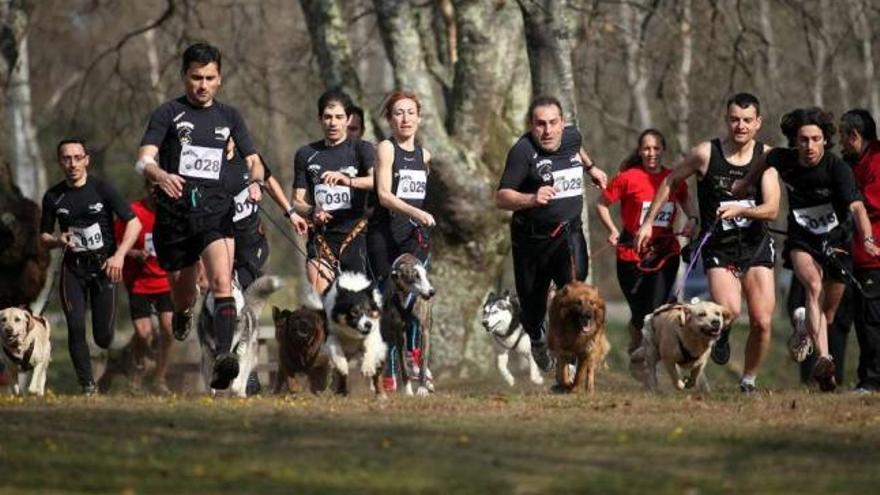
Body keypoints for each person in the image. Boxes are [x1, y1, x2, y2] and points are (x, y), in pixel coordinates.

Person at [134, 42, 265, 390]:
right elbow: (144, 157)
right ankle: (183, 312)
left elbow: (253, 160)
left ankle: (224, 355)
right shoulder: (167, 114)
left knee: (223, 283)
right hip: (176, 216)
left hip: (217, 213)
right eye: (195, 78)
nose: (202, 85)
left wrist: (256, 182)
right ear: (184, 77)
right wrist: (160, 174)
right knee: (185, 294)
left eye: (209, 78)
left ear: (219, 79)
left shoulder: (230, 117)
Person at [636, 93, 779, 393]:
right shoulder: (706, 154)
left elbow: (772, 209)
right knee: (727, 311)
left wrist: (740, 209)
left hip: (755, 245)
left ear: (758, 123)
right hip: (719, 246)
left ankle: (748, 381)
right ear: (727, 120)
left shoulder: (767, 156)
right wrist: (649, 223)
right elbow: (671, 181)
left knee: (763, 322)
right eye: (735, 119)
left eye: (747, 120)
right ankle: (722, 335)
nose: (740, 126)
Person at [736, 107, 880, 392]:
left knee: (826, 316)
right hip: (802, 240)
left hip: (837, 241)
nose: (809, 146)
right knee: (813, 287)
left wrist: (866, 238)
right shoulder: (784, 158)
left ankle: (803, 326)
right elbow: (765, 158)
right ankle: (824, 361)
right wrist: (746, 182)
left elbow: (857, 207)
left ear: (825, 140)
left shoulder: (837, 169)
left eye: (815, 139)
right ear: (795, 141)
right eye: (803, 140)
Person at [495, 95, 608, 372]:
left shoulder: (572, 137)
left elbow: (577, 150)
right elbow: (502, 197)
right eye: (540, 124)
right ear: (531, 126)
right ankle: (536, 337)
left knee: (574, 296)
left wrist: (591, 168)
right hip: (530, 241)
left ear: (563, 124)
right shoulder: (522, 152)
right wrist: (532, 199)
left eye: (552, 123)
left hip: (567, 236)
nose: (547, 131)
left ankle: (570, 360)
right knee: (533, 311)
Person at [41, 139, 142, 394]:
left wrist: (119, 256)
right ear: (60, 162)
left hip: (104, 268)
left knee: (103, 337)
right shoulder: (53, 196)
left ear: (86, 160)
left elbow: (134, 223)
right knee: (75, 325)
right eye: (67, 158)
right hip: (73, 269)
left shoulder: (102, 189)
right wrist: (56, 240)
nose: (72, 163)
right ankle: (87, 385)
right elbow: (43, 236)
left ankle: (119, 361)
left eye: (77, 157)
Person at [595, 129, 697, 355]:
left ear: (663, 150)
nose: (651, 153)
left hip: (665, 252)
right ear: (640, 151)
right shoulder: (627, 177)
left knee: (658, 309)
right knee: (640, 312)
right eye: (646, 149)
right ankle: (637, 344)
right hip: (632, 253)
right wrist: (612, 230)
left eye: (656, 148)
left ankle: (657, 357)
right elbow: (601, 204)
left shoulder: (673, 178)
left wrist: (692, 219)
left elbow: (686, 200)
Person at [292, 89, 375, 295]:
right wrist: (312, 211)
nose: (333, 123)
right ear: (320, 119)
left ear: (348, 120)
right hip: (321, 239)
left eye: (339, 117)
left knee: (354, 303)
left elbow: (377, 182)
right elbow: (297, 201)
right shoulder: (306, 154)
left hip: (355, 237)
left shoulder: (361, 150)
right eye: (328, 117)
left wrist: (348, 181)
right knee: (322, 300)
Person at [115, 182, 174, 394]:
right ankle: (138, 369)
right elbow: (116, 244)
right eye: (151, 188)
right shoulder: (132, 213)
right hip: (138, 282)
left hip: (166, 281)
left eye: (160, 189)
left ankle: (160, 378)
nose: (156, 193)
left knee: (169, 328)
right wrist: (134, 253)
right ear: (146, 188)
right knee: (143, 333)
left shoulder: (172, 212)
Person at [839, 108, 880, 393]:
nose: (840, 142)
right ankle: (866, 377)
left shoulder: (876, 162)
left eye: (843, 136)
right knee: (863, 320)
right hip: (859, 255)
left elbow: (868, 204)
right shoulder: (856, 161)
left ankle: (873, 380)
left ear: (855, 136)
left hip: (873, 255)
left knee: (871, 320)